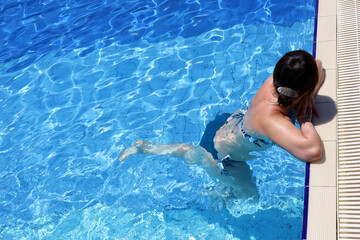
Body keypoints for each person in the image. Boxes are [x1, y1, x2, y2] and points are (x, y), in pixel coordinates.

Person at [118, 50, 325, 199]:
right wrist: (304, 117)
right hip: (223, 158)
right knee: (250, 196)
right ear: (302, 90)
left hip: (225, 123)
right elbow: (312, 150)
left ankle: (148, 148)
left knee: (193, 155)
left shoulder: (275, 80)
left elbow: (317, 64)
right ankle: (216, 194)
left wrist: (309, 95)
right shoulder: (273, 120)